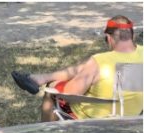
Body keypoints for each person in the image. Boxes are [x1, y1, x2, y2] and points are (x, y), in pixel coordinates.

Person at [13, 16, 143, 121]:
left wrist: (59, 84)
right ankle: (40, 78)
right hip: (133, 118)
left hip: (97, 119)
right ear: (132, 36)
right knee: (85, 68)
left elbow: (71, 93)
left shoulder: (99, 62)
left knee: (52, 89)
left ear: (109, 38)